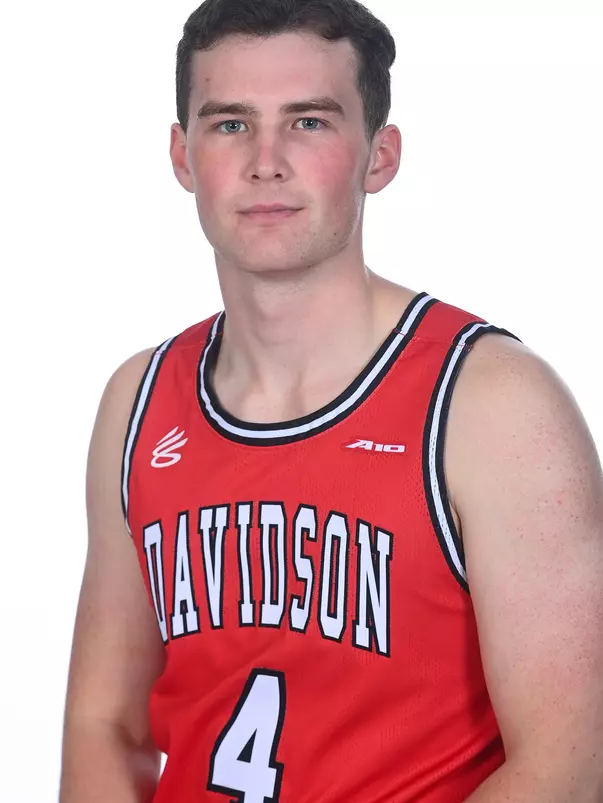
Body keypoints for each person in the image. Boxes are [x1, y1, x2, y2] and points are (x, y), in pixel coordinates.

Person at [59, 0, 603, 801]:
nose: (266, 161)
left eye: (308, 123)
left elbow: (571, 761)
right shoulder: (137, 401)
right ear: (182, 156)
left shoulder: (489, 404)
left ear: (378, 157)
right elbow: (106, 722)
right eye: (230, 124)